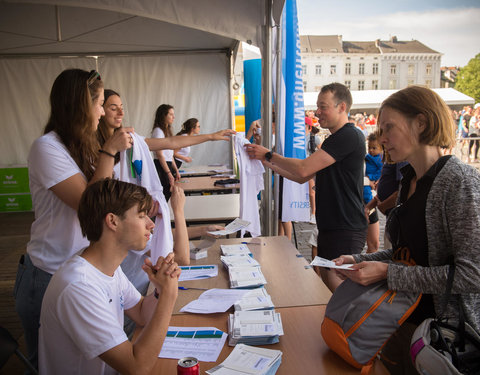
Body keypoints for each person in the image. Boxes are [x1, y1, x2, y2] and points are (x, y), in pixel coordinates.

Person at [334, 86, 480, 374]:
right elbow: (405, 253)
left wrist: (388, 273)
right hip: (399, 322)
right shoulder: (409, 180)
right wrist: (362, 260)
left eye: (389, 127)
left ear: (421, 123)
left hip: (441, 340)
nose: (382, 138)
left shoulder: (459, 182)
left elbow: (472, 274)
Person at [13, 69, 133, 371]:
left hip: (82, 270)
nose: (103, 111)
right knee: (48, 363)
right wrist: (109, 151)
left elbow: (109, 197)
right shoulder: (46, 148)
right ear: (81, 105)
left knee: (88, 361)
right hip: (48, 273)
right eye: (100, 103)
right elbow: (89, 205)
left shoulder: (85, 148)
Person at [39, 178, 180, 374]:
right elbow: (137, 367)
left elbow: (140, 312)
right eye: (141, 216)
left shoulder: (104, 267)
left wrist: (160, 290)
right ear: (113, 221)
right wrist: (169, 295)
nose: (151, 225)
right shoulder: (79, 287)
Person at [245, 83, 367, 292]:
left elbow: (302, 169)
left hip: (345, 227)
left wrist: (268, 155)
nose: (318, 112)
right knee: (331, 287)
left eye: (323, 106)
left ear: (342, 107)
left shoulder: (348, 136)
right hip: (332, 227)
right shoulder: (335, 140)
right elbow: (301, 177)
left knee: (341, 290)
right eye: (317, 107)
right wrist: (264, 161)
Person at [152, 104, 180, 201]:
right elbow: (160, 155)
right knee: (164, 194)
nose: (174, 117)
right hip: (161, 166)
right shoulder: (158, 131)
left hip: (167, 165)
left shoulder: (166, 131)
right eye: (171, 114)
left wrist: (176, 170)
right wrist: (168, 173)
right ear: (164, 115)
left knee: (168, 193)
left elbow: (170, 155)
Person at [363, 132, 383, 253]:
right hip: (365, 199)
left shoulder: (382, 159)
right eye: (369, 147)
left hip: (371, 201)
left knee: (374, 244)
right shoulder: (366, 158)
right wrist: (368, 180)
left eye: (374, 148)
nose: (371, 150)